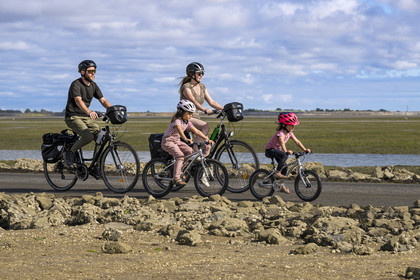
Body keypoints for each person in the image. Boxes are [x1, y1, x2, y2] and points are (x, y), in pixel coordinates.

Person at [64, 60, 111, 167]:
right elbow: (78, 101)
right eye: (90, 71)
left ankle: (97, 165)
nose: (93, 73)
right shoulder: (75, 84)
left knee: (101, 138)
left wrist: (112, 110)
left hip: (85, 117)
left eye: (94, 71)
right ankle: (70, 153)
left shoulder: (93, 85)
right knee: (88, 136)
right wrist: (89, 112)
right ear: (82, 72)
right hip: (73, 117)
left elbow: (103, 100)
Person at [161, 99, 215, 187]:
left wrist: (207, 139)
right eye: (189, 113)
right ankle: (176, 178)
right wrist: (185, 138)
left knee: (190, 151)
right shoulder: (177, 120)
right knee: (180, 155)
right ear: (181, 112)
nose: (190, 116)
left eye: (191, 114)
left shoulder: (187, 122)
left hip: (176, 141)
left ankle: (180, 169)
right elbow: (179, 130)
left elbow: (197, 131)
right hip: (168, 141)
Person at [178, 62, 224, 156]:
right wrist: (205, 110)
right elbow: (193, 101)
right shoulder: (186, 87)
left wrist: (224, 109)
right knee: (205, 126)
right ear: (191, 74)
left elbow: (212, 102)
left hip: (196, 119)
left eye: (202, 73)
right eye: (199, 73)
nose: (201, 75)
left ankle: (199, 168)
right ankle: (194, 150)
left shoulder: (202, 87)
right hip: (185, 118)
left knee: (207, 147)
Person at [265, 112, 311, 194]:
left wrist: (305, 149)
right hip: (270, 150)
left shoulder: (290, 133)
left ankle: (280, 186)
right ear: (284, 125)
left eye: (293, 125)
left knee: (285, 167)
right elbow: (282, 142)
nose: (293, 127)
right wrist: (285, 151)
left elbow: (297, 142)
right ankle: (277, 173)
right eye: (290, 125)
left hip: (277, 151)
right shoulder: (281, 133)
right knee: (283, 155)